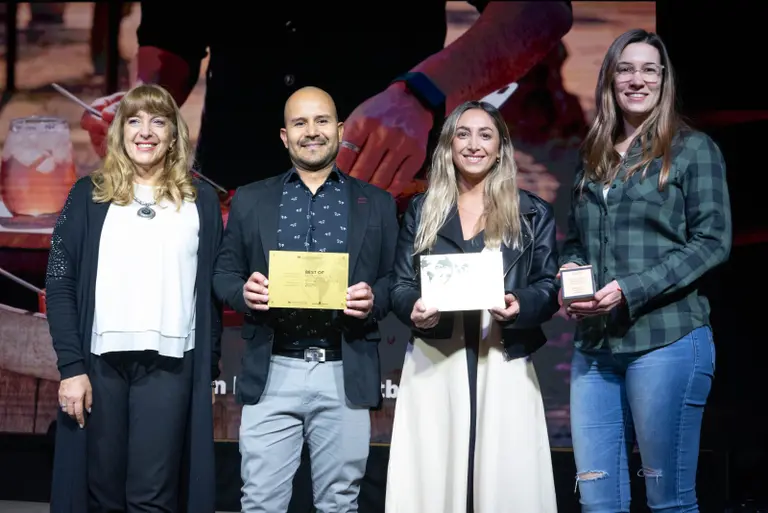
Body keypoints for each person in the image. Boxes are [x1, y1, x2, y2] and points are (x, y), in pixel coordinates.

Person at [80, 2, 573, 197]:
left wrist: (422, 93)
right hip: (236, 198)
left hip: (390, 199)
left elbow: (540, 10)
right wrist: (147, 106)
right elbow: (171, 36)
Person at [559, 29, 732, 512]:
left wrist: (629, 289)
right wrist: (570, 276)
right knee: (598, 502)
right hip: (596, 350)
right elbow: (576, 242)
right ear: (610, 79)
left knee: (668, 500)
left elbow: (713, 242)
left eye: (648, 70)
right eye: (626, 69)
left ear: (663, 79)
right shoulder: (592, 155)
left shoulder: (692, 150)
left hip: (667, 340)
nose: (637, 80)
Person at [212, 86, 399, 512]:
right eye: (300, 123)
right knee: (260, 503)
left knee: (339, 504)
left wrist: (374, 298)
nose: (311, 131)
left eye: (321, 121)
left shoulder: (377, 203)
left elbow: (396, 281)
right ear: (285, 136)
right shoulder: (251, 199)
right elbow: (223, 274)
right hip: (272, 370)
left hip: (344, 370)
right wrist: (243, 293)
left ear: (340, 130)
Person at [45, 84, 223, 513]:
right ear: (119, 132)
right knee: (102, 497)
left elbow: (211, 294)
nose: (146, 131)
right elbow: (59, 281)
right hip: (100, 366)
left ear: (174, 134)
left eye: (158, 121)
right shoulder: (88, 194)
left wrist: (209, 369)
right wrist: (71, 368)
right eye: (134, 121)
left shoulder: (200, 201)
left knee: (152, 498)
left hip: (171, 366)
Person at [387, 100, 560, 513]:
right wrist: (413, 308)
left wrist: (520, 304)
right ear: (448, 145)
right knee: (430, 478)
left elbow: (547, 286)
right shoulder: (422, 210)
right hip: (436, 357)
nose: (473, 145)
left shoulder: (532, 213)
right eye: (462, 134)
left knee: (507, 480)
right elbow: (400, 285)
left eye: (485, 135)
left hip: (502, 356)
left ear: (500, 148)